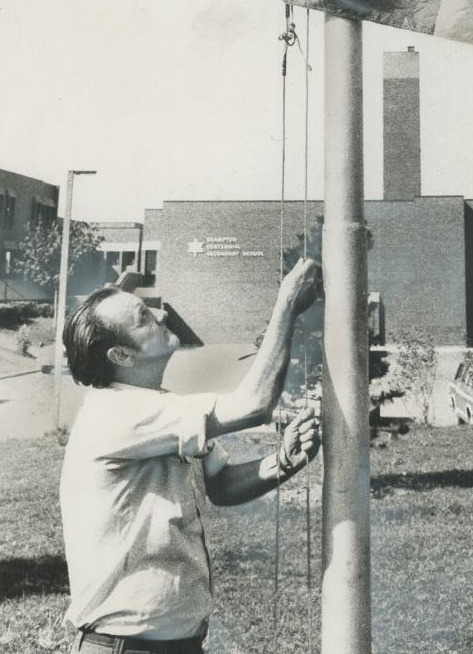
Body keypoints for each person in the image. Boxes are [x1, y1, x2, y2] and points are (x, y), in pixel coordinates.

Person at [59, 258, 321, 653]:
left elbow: (222, 483)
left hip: (177, 643)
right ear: (121, 356)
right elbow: (255, 404)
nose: (162, 313)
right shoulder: (114, 412)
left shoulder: (156, 408)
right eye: (143, 317)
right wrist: (286, 303)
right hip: (125, 646)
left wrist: (283, 461)